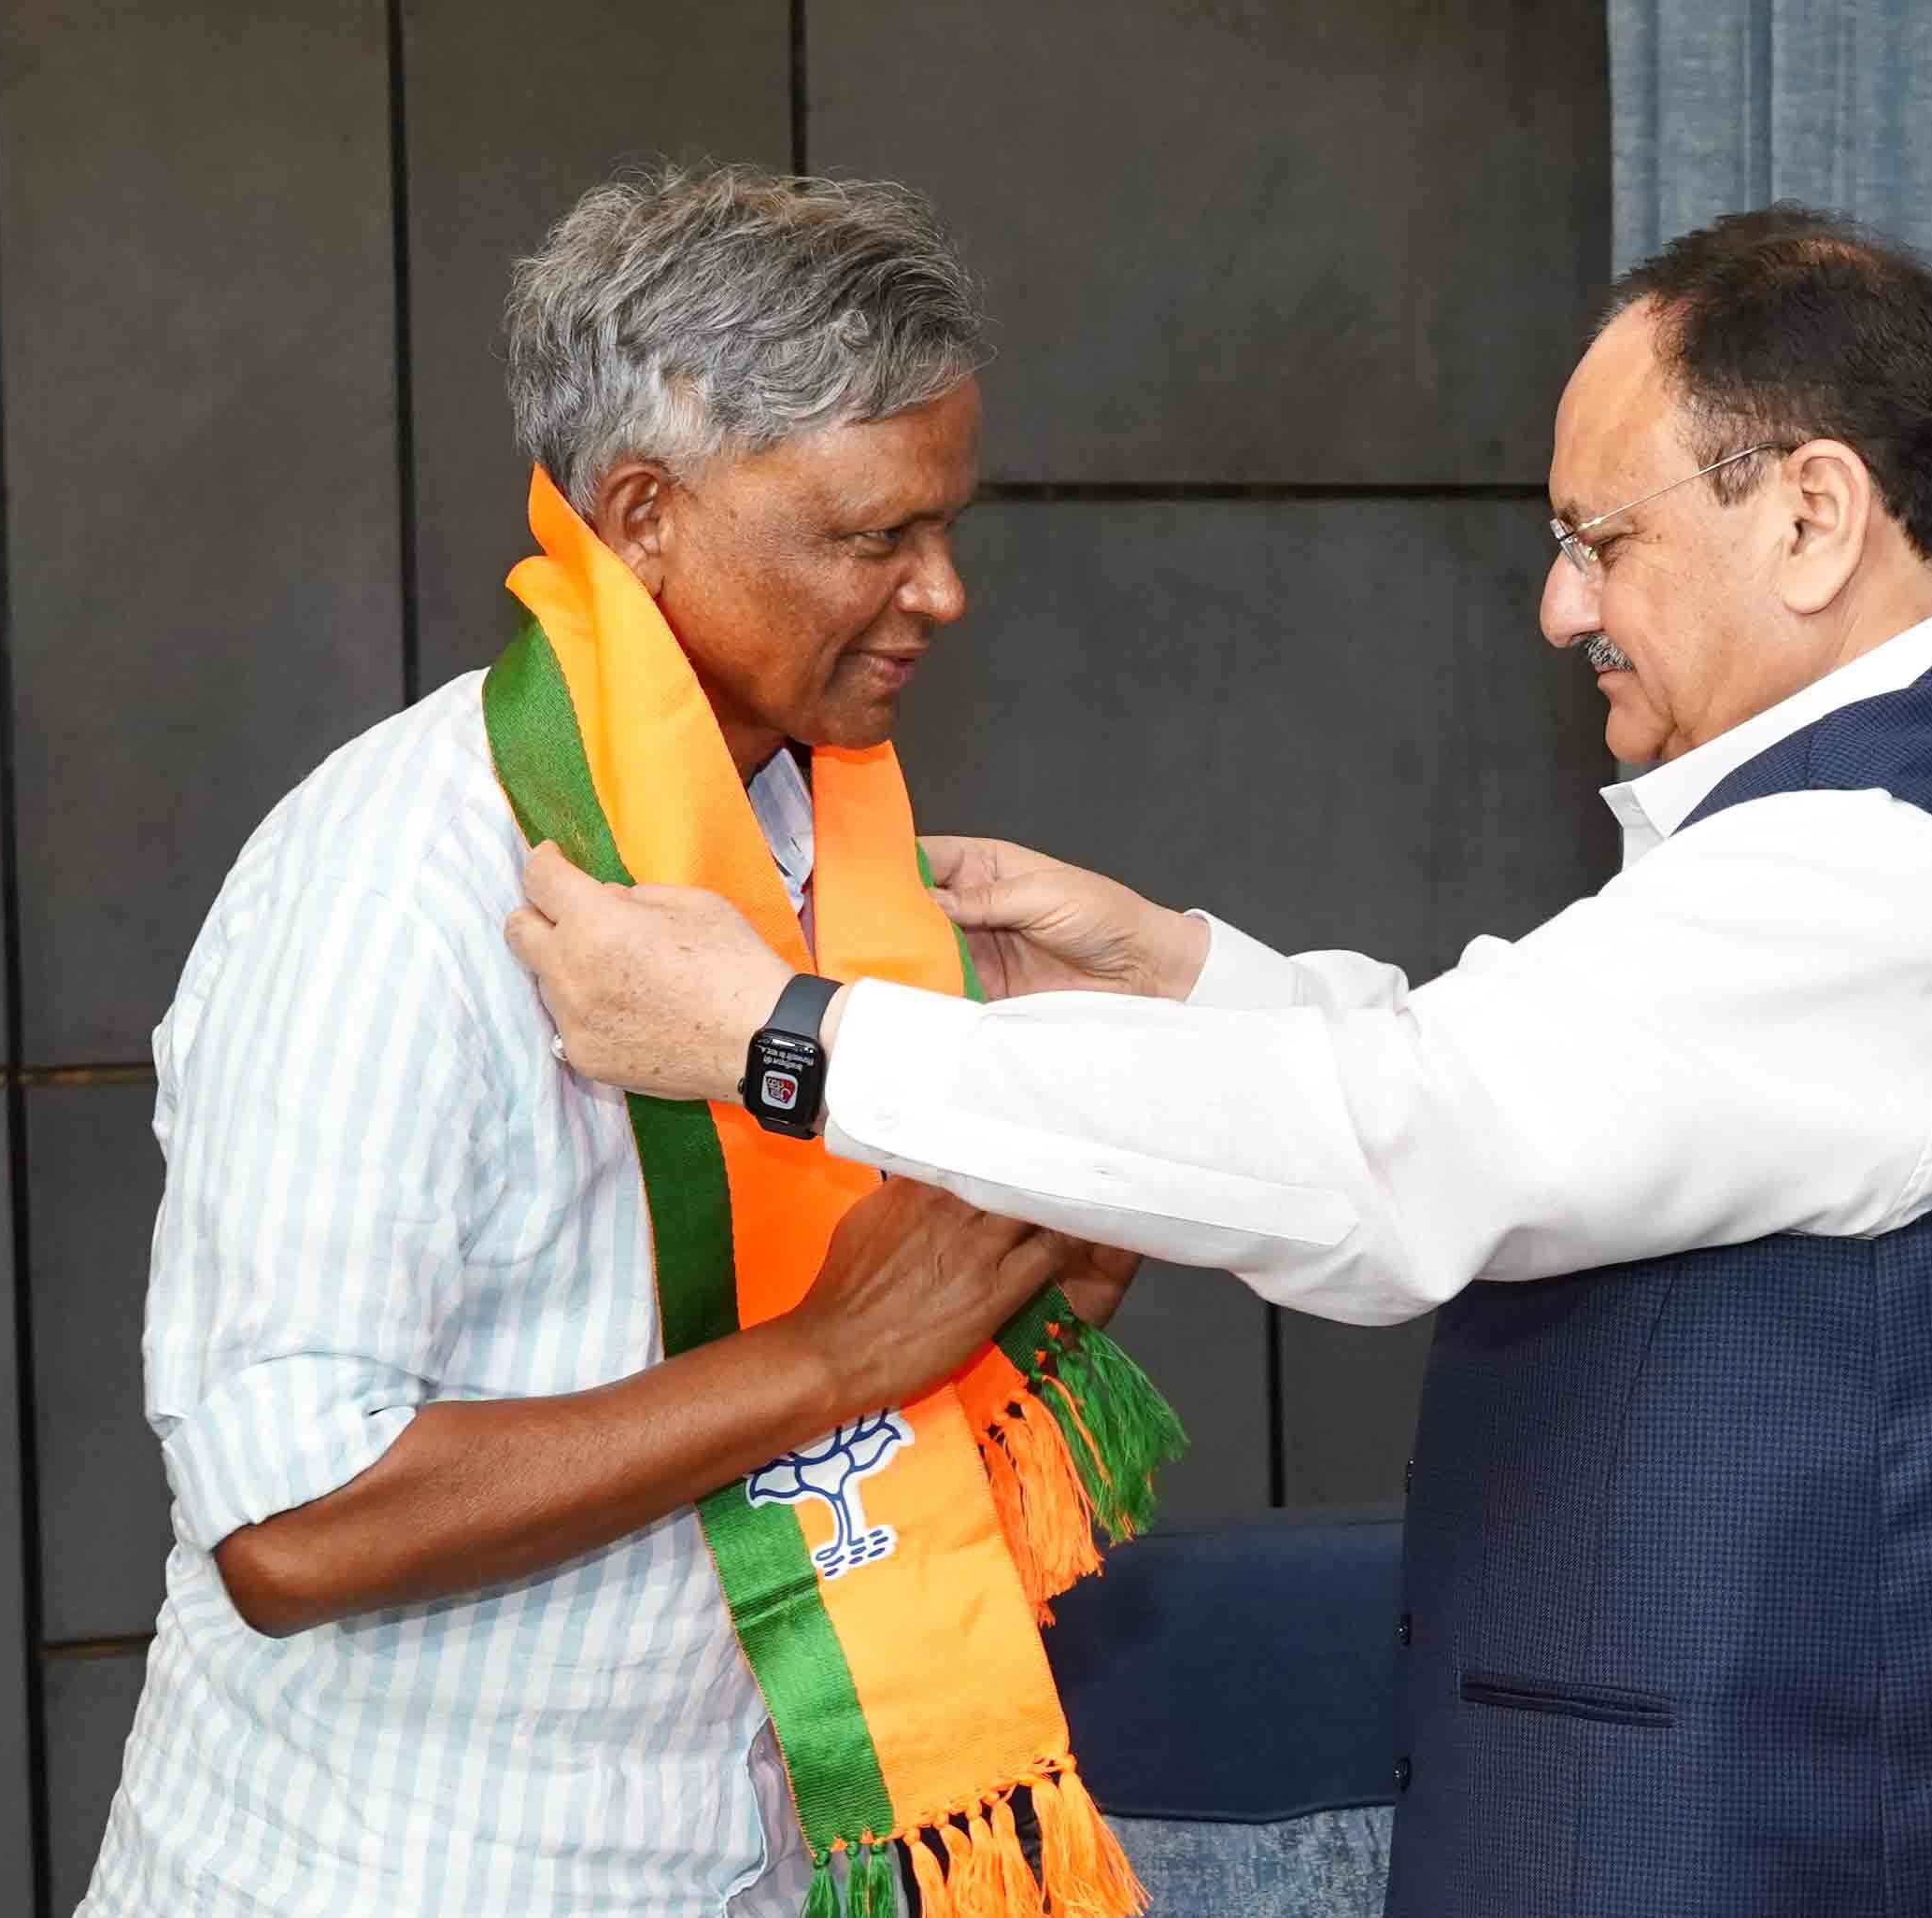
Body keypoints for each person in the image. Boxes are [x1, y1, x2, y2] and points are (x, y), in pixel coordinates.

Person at [509, 206, 1932, 1915]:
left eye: (1595, 537)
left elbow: (1402, 1151)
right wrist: (1171, 975)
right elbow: (1512, 1079)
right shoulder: (1898, 824)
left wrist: (784, 1039)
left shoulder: (1872, 867)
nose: (1560, 607)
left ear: (1811, 515)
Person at [78, 164, 1154, 1918]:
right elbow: (293, 1523)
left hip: (751, 1858)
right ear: (643, 510)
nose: (940, 592)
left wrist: (1078, 1213)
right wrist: (826, 1358)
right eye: (872, 536)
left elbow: (906, 1366)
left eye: (949, 525)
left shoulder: (840, 849)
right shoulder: (394, 882)